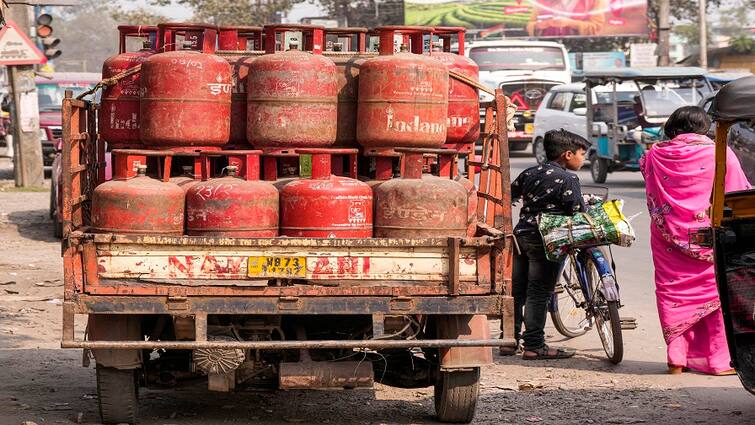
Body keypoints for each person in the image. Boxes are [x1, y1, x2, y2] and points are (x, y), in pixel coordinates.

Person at [640, 106, 751, 375]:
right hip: (708, 236)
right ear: (704, 127)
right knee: (715, 293)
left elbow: (650, 182)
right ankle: (716, 360)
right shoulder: (719, 152)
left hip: (666, 235)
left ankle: (676, 357)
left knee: (672, 293)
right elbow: (736, 193)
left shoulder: (654, 154)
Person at [507, 129, 589, 359]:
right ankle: (534, 346)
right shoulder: (568, 178)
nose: (584, 160)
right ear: (567, 154)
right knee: (539, 292)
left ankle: (508, 341)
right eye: (582, 154)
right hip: (546, 238)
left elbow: (511, 194)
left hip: (521, 235)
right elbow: (577, 210)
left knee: (518, 291)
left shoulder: (530, 172)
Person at [526, 0, 606, 37]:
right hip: (549, 48)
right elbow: (531, 24)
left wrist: (570, 23)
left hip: (578, 48)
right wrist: (539, 25)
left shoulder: (594, 1)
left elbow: (596, 26)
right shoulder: (541, 1)